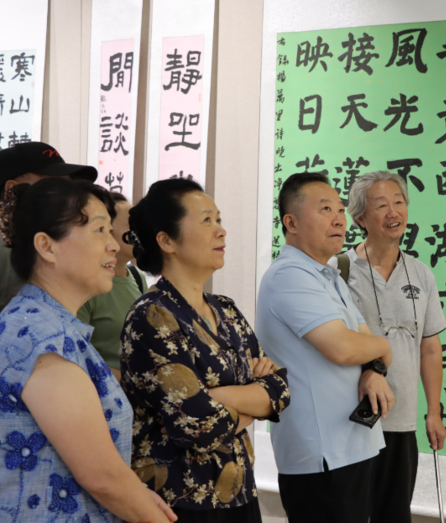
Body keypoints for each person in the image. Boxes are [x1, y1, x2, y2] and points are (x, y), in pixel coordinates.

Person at [0, 178, 176, 523]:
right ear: (47, 247)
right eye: (99, 230)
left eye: (111, 230)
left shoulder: (53, 326)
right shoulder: (40, 336)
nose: (113, 245)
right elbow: (103, 479)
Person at [120, 178, 289, 523]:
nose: (221, 231)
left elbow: (281, 388)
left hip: (239, 490)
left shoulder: (225, 309)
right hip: (179, 500)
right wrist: (254, 402)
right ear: (167, 241)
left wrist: (216, 396)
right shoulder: (152, 316)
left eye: (219, 219)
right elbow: (197, 426)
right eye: (207, 220)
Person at [256, 172, 394, 523]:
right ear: (291, 223)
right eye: (325, 209)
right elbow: (344, 349)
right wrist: (381, 344)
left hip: (354, 443)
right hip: (321, 454)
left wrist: (374, 370)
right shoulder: (289, 275)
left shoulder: (328, 275)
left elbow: (367, 346)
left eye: (340, 209)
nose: (339, 219)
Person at [341, 170, 446, 523]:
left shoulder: (421, 274)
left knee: (394, 515)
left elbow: (430, 349)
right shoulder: (339, 270)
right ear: (360, 218)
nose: (393, 212)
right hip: (351, 420)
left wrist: (433, 412)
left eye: (399, 202)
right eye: (381, 205)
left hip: (402, 422)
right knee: (350, 514)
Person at [0, 141, 98, 312]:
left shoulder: (47, 240)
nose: (65, 196)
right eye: (51, 185)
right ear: (12, 189)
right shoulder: (9, 247)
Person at [78, 192, 148, 381]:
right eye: (130, 225)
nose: (138, 232)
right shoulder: (87, 284)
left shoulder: (137, 277)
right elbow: (76, 356)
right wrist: (133, 384)